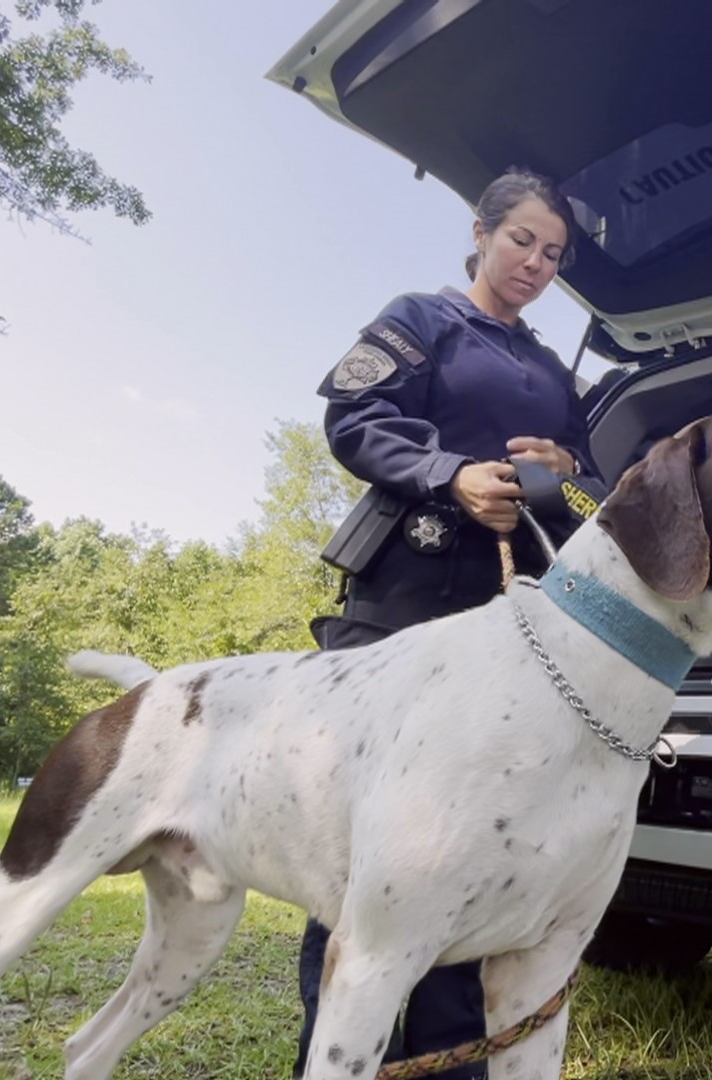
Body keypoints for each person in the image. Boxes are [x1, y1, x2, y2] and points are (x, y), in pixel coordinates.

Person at [295, 168, 603, 1080]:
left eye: (552, 255)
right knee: (367, 857)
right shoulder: (421, 320)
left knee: (477, 845)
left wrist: (559, 468)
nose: (535, 264)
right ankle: (337, 1054)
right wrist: (448, 473)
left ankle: (448, 1064)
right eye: (522, 242)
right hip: (405, 602)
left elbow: (591, 495)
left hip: (514, 625)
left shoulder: (554, 372)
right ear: (480, 231)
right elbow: (352, 418)